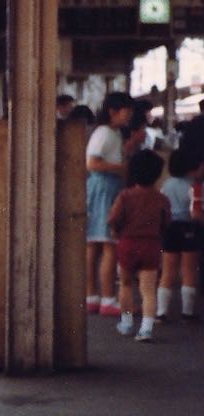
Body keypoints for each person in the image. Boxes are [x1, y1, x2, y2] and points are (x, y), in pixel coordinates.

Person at [107, 149, 171, 341]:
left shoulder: (125, 196)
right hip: (151, 244)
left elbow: (113, 219)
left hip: (127, 243)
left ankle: (126, 323)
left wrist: (116, 231)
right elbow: (166, 222)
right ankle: (146, 329)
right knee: (148, 289)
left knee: (125, 284)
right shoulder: (161, 199)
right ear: (157, 173)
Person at [85, 91, 136, 316]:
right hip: (105, 188)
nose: (129, 115)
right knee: (108, 244)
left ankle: (92, 297)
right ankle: (107, 299)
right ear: (113, 111)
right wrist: (121, 168)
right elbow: (92, 163)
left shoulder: (109, 132)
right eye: (127, 111)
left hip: (101, 188)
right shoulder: (105, 133)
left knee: (94, 244)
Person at [158, 148, 201, 321]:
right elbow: (195, 213)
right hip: (189, 228)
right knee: (188, 271)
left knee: (167, 271)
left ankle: (161, 312)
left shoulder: (166, 184)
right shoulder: (194, 186)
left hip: (169, 228)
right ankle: (187, 312)